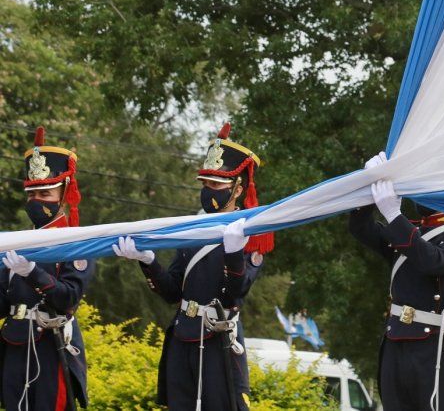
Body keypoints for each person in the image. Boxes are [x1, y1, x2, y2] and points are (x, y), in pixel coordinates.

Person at [113, 122, 272, 410]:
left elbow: (236, 291)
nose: (207, 190)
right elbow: (174, 292)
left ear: (237, 188)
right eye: (205, 184)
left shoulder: (252, 232)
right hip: (183, 334)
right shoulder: (193, 228)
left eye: (216, 185)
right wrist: (148, 261)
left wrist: (234, 251)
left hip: (217, 339)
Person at [350, 151, 444, 411]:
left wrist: (394, 216)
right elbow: (361, 228)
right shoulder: (408, 229)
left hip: (433, 344)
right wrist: (370, 185)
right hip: (396, 339)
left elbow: (431, 261)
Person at [0, 126, 94, 411]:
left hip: (51, 345)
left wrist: (32, 271)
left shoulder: (77, 243)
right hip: (15, 343)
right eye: (32, 194)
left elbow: (68, 298)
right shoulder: (17, 242)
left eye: (45, 193)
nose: (37, 200)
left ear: (64, 194)